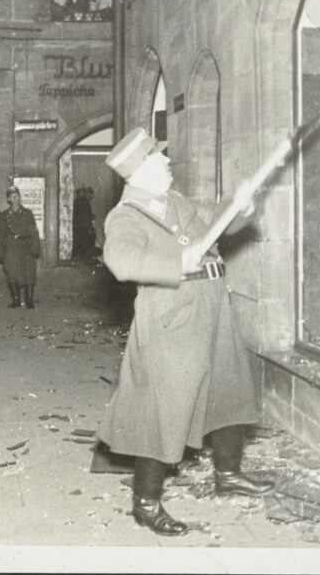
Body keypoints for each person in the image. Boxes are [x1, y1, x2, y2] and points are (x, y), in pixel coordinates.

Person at [96, 127, 273, 536]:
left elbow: (216, 218)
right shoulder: (125, 215)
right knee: (164, 410)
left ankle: (228, 476)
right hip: (172, 318)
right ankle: (146, 503)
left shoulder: (173, 201)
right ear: (140, 172)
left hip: (212, 307)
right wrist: (179, 261)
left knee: (229, 389)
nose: (168, 161)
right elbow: (120, 260)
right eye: (160, 158)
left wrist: (241, 206)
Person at [0, 186, 41, 308]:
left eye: (17, 196)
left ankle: (29, 301)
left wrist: (36, 250)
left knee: (29, 272)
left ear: (20, 197)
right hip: (11, 247)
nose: (15, 199)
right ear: (8, 199)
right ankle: (16, 300)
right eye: (12, 197)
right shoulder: (4, 216)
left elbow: (34, 232)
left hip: (26, 246)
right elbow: (0, 235)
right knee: (12, 272)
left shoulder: (27, 213)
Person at [72, 186, 98, 259]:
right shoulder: (84, 202)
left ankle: (78, 256)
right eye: (90, 195)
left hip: (78, 227)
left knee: (79, 243)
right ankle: (86, 258)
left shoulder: (76, 201)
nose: (90, 198)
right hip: (84, 227)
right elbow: (85, 216)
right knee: (88, 241)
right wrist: (89, 228)